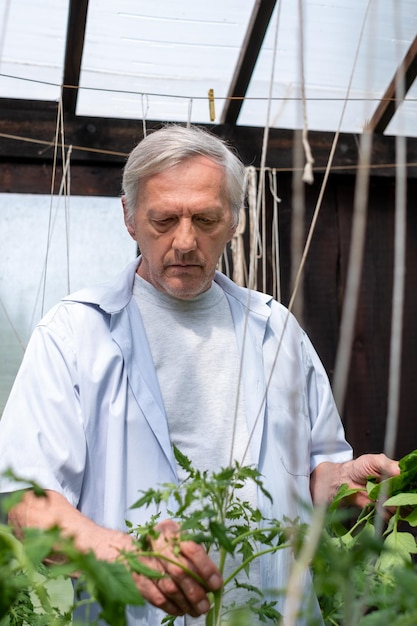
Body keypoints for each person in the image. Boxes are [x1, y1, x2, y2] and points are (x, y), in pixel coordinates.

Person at [0, 125, 399, 625]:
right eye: (163, 219)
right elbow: (27, 505)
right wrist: (128, 556)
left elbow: (312, 470)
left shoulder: (274, 329)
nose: (185, 241)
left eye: (206, 218)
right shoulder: (74, 333)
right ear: (128, 218)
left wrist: (340, 480)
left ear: (232, 219)